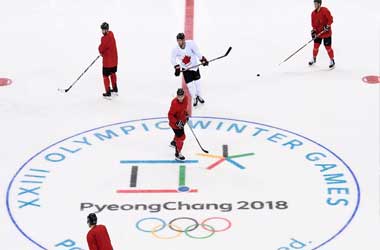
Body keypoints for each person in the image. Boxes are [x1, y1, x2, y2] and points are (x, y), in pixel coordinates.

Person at [171, 33, 209, 107]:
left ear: (184, 40)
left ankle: (199, 96)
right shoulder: (175, 49)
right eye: (178, 40)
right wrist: (176, 67)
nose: (179, 42)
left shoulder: (191, 44)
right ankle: (195, 98)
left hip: (195, 67)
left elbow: (197, 52)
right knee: (190, 86)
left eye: (180, 40)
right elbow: (172, 59)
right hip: (186, 70)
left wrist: (202, 59)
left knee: (198, 84)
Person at [309, 0, 335, 69]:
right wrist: (314, 31)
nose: (315, 5)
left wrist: (328, 26)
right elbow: (313, 24)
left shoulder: (325, 10)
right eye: (314, 3)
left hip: (326, 33)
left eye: (316, 3)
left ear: (319, 4)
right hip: (318, 33)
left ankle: (332, 60)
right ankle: (314, 58)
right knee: (315, 47)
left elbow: (331, 19)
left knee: (328, 48)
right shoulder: (313, 13)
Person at [168, 88, 189, 161]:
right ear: (177, 96)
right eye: (179, 96)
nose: (180, 98)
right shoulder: (174, 103)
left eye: (181, 96)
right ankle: (178, 154)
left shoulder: (186, 99)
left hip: (182, 120)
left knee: (178, 136)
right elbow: (170, 115)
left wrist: (186, 114)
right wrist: (177, 122)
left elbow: (184, 108)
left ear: (184, 95)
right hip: (175, 124)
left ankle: (174, 142)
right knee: (182, 137)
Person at [98, 22, 118, 97]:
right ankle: (115, 88)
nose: (103, 31)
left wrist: (102, 52)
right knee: (113, 73)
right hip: (114, 61)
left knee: (105, 76)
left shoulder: (104, 39)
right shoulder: (111, 34)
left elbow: (101, 48)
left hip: (107, 62)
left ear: (107, 30)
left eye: (104, 30)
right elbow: (108, 48)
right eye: (102, 30)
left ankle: (108, 92)